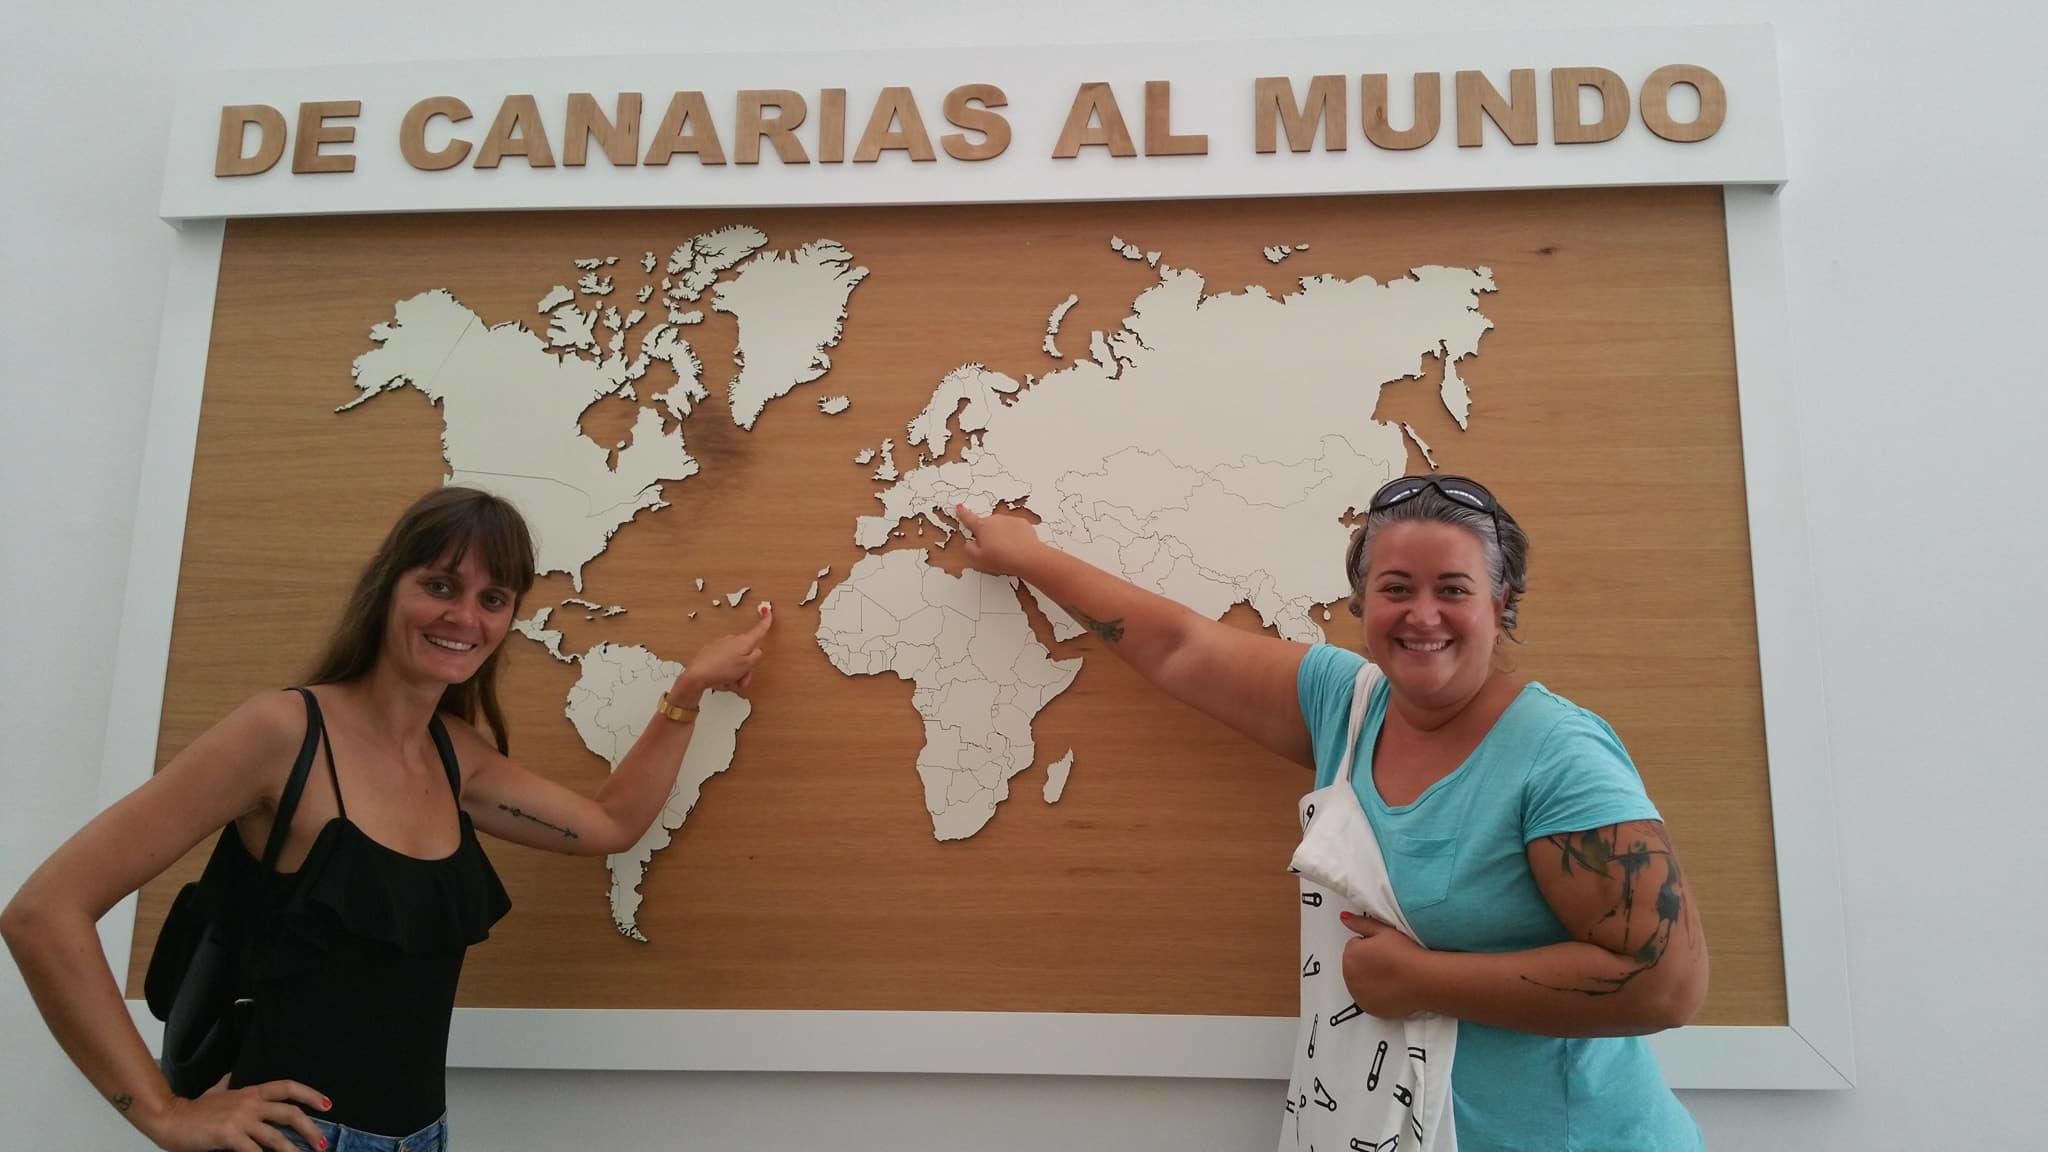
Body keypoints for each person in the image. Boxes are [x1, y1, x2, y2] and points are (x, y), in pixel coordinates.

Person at [2, 486, 774, 1152]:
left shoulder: (456, 757)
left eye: (493, 599)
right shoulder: (281, 735)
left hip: (424, 1137)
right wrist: (162, 1114)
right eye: (440, 585)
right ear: (387, 590)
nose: (465, 617)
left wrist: (688, 692)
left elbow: (608, 825)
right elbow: (43, 913)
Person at [955, 473, 1707, 1152]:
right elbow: (1180, 646)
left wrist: (1423, 982)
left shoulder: (1558, 756)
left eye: (1453, 589)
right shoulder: (1345, 705)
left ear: (1500, 602)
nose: (1423, 615)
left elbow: (1668, 985)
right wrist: (1028, 557)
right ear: (1360, 602)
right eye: (1396, 588)